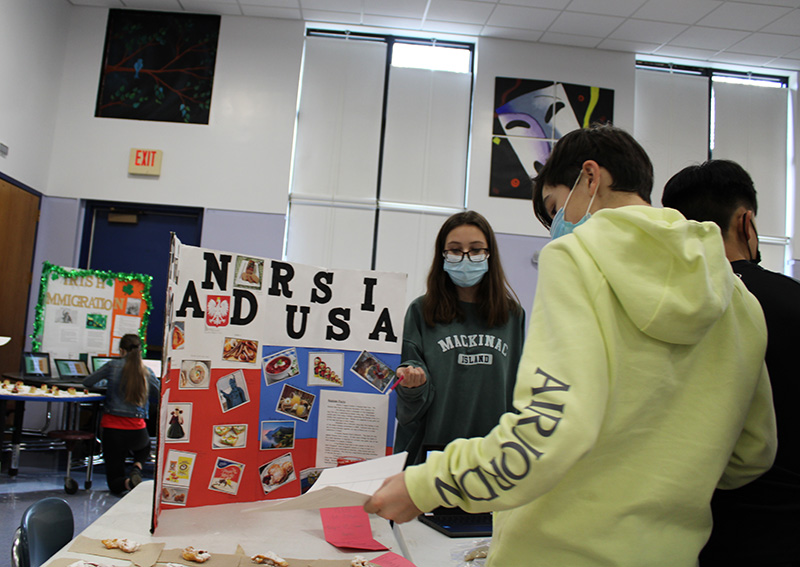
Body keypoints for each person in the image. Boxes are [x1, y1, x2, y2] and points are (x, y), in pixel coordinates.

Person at [365, 125, 777, 567]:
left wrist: (426, 484)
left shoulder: (577, 258)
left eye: (554, 207)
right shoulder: (739, 300)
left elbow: (549, 431)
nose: (557, 226)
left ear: (590, 177)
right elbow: (753, 452)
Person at [662, 159, 800, 566]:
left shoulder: (664, 310)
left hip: (686, 530)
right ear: (746, 222)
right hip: (783, 528)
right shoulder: (790, 303)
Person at [394, 210, 526, 466]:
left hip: (493, 457)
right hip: (432, 455)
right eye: (455, 250)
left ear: (490, 255)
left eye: (476, 250)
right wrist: (413, 384)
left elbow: (517, 390)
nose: (465, 257)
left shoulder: (512, 315)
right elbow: (408, 403)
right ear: (442, 256)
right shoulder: (421, 311)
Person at [84, 334, 160, 494]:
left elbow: (88, 382)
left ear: (121, 350)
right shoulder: (146, 371)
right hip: (137, 429)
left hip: (112, 429)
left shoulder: (112, 366)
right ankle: (137, 468)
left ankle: (128, 483)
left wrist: (107, 383)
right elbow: (160, 392)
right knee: (144, 447)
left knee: (114, 480)